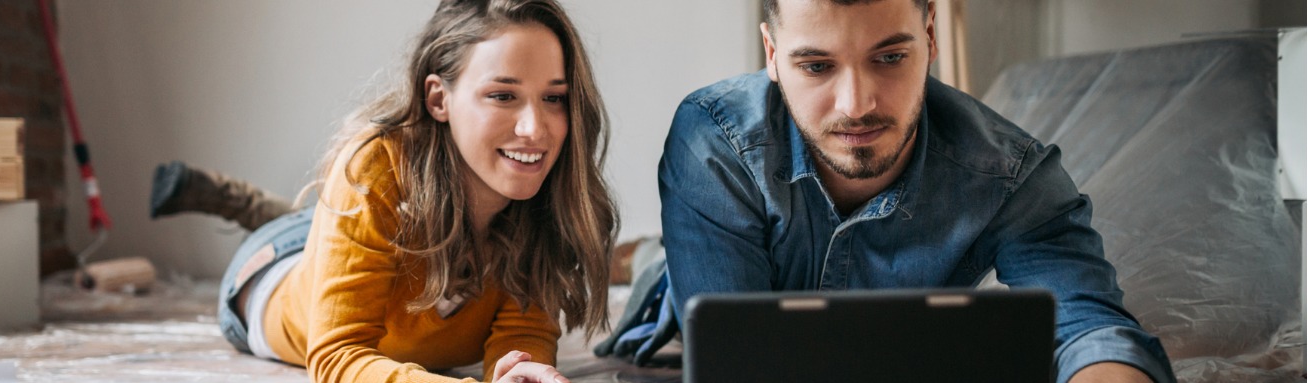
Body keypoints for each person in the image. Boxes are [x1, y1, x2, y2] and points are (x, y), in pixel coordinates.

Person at [656, 1, 1174, 382]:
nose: (855, 105)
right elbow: (735, 364)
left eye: (888, 58)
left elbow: (1089, 325)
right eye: (816, 66)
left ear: (930, 37)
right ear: (772, 54)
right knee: (656, 284)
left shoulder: (1007, 172)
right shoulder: (713, 140)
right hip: (697, 276)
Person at [155, 1, 617, 382]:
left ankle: (285, 210)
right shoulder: (375, 168)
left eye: (553, 98)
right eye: (503, 95)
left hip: (378, 226)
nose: (535, 128)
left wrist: (521, 372)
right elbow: (336, 357)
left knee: (325, 214)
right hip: (269, 271)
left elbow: (522, 334)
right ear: (439, 99)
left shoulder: (544, 196)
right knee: (296, 220)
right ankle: (235, 200)